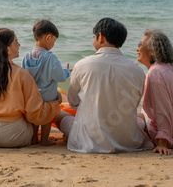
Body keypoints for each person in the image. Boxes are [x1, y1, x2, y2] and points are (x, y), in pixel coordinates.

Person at [55, 18, 154, 153]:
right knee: (138, 118)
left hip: (88, 140)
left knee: (59, 114)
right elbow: (134, 103)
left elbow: (73, 103)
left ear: (100, 37)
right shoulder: (137, 70)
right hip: (127, 140)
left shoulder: (82, 65)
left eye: (93, 37)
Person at [0, 28, 62, 148]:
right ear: (8, 49)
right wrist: (56, 103)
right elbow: (34, 113)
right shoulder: (22, 74)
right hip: (16, 135)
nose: (19, 45)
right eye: (16, 42)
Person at [22, 20, 71, 146]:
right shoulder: (50, 57)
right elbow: (59, 76)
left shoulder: (27, 57)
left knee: (34, 120)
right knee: (47, 119)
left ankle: (33, 138)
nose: (53, 44)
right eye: (54, 41)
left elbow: (24, 77)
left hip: (32, 97)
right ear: (48, 37)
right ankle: (44, 140)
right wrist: (67, 71)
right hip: (48, 98)